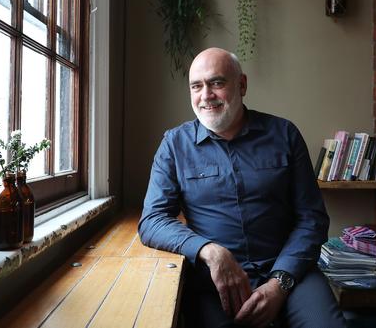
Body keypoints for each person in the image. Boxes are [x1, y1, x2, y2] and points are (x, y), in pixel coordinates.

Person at [138, 47, 344, 327]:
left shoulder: (285, 134)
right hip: (214, 280)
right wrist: (210, 251)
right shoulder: (175, 145)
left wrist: (279, 283)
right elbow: (152, 220)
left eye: (217, 83)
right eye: (196, 86)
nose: (206, 95)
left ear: (242, 85)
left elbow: (312, 218)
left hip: (290, 272)